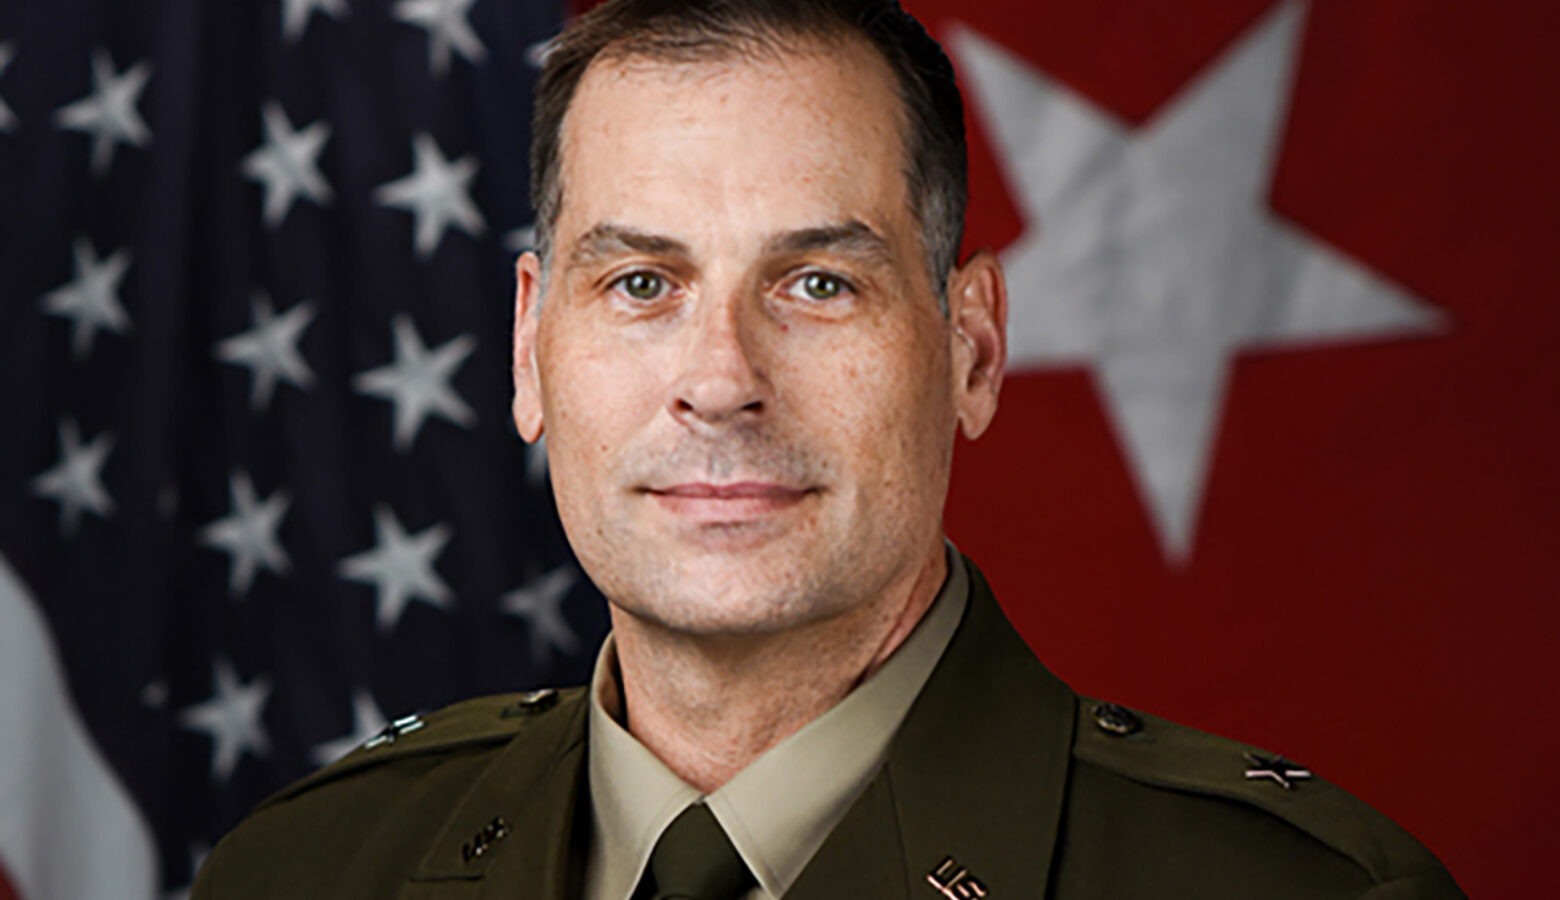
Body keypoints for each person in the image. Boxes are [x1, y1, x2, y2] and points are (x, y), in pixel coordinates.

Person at [193, 1, 1464, 897]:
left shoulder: (1291, 890)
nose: (721, 382)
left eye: (817, 286)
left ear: (969, 350)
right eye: (641, 284)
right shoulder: (310, 871)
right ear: (530, 351)